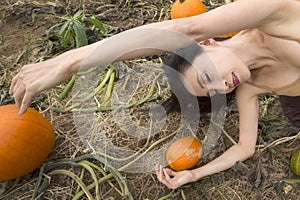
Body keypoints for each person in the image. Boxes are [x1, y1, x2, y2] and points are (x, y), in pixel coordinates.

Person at [9, 0, 300, 189]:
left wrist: (70, 61)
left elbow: (185, 26)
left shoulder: (272, 11)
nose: (223, 87)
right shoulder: (250, 87)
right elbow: (244, 147)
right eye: (214, 90)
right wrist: (193, 174)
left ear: (208, 43)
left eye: (208, 76)